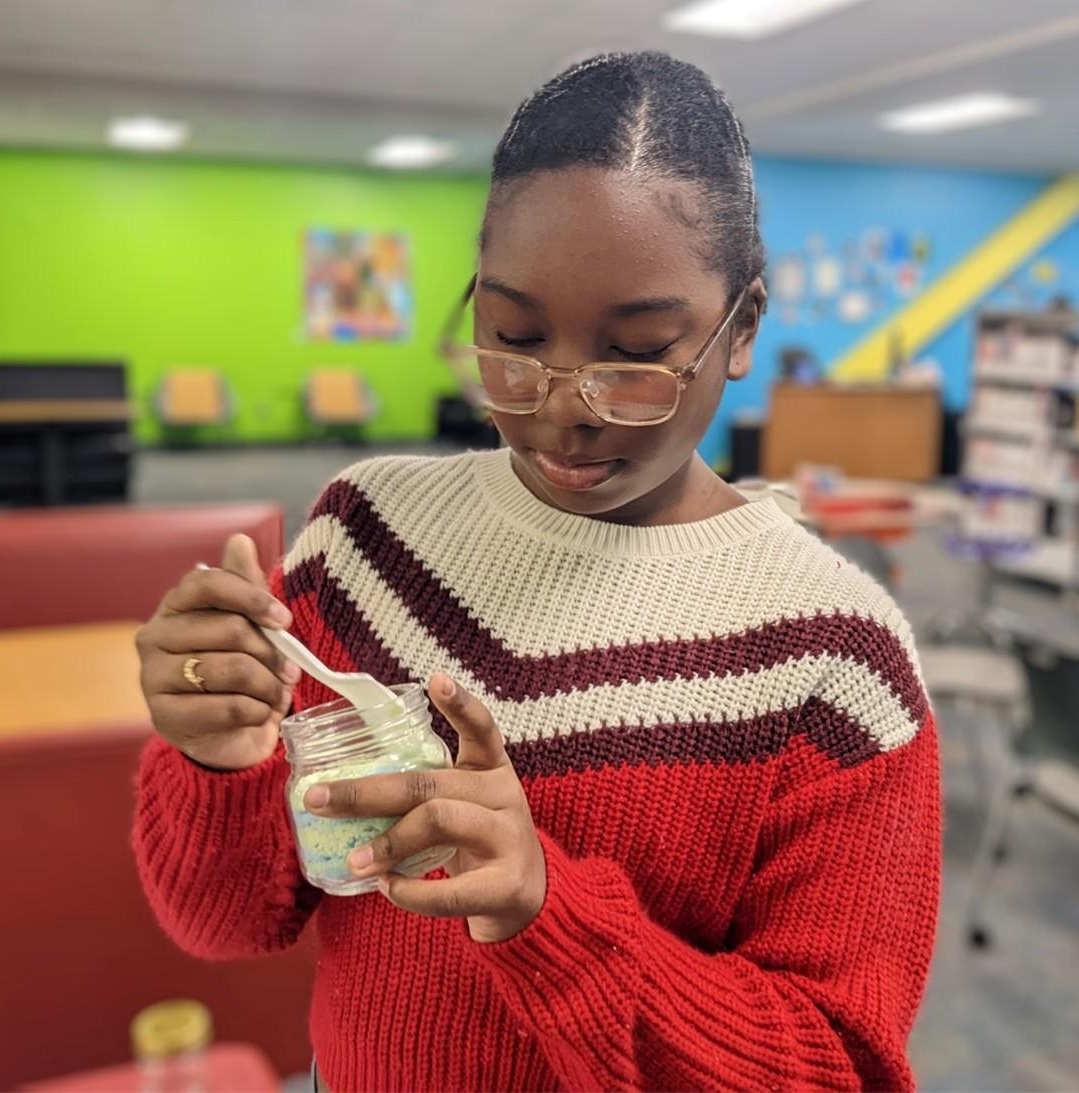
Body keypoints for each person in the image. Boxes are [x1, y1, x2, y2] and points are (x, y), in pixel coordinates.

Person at [133, 51, 940, 1092]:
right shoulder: (361, 540)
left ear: (741, 328)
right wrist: (215, 756)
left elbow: (838, 1066)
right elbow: (222, 921)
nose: (565, 401)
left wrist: (546, 915)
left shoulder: (836, 664)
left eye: (636, 351)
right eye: (512, 336)